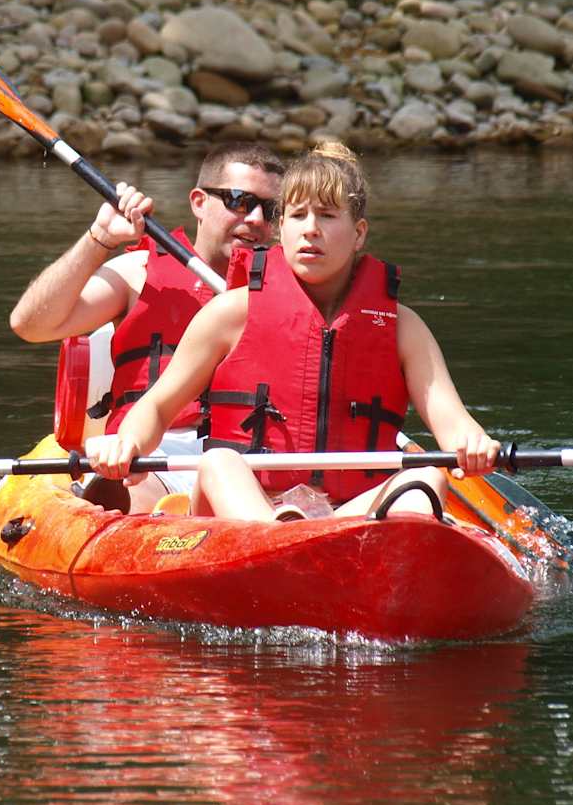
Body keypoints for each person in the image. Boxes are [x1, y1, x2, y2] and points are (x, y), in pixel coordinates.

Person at [86, 142, 499, 521]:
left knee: (425, 477)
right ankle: (280, 535)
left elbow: (454, 424)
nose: (310, 229)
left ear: (359, 233)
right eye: (298, 215)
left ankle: (324, 545)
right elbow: (157, 407)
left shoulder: (401, 328)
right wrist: (128, 441)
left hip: (344, 518)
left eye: (327, 215)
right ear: (281, 228)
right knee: (218, 461)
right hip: (242, 517)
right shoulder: (229, 313)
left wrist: (474, 443)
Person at [10, 142, 284, 510]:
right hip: (150, 452)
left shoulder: (290, 289)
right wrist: (100, 238)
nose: (255, 219)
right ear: (199, 202)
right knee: (138, 499)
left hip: (250, 457)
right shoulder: (138, 274)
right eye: (239, 201)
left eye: (271, 210)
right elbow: (31, 325)